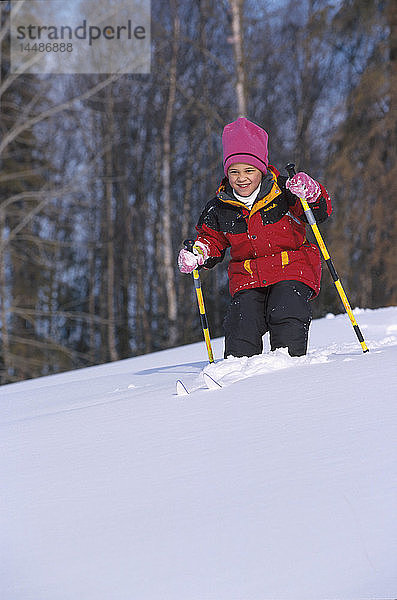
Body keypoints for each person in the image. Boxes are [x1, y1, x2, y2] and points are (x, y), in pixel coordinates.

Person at [178, 117, 332, 358]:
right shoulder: (220, 206)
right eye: (234, 172)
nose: (242, 178)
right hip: (248, 278)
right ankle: (239, 375)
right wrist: (199, 252)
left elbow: (318, 212)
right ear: (226, 173)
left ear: (261, 169)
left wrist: (311, 193)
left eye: (249, 170)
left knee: (286, 310)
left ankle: (289, 365)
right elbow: (211, 239)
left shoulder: (284, 191)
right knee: (241, 323)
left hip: (291, 269)